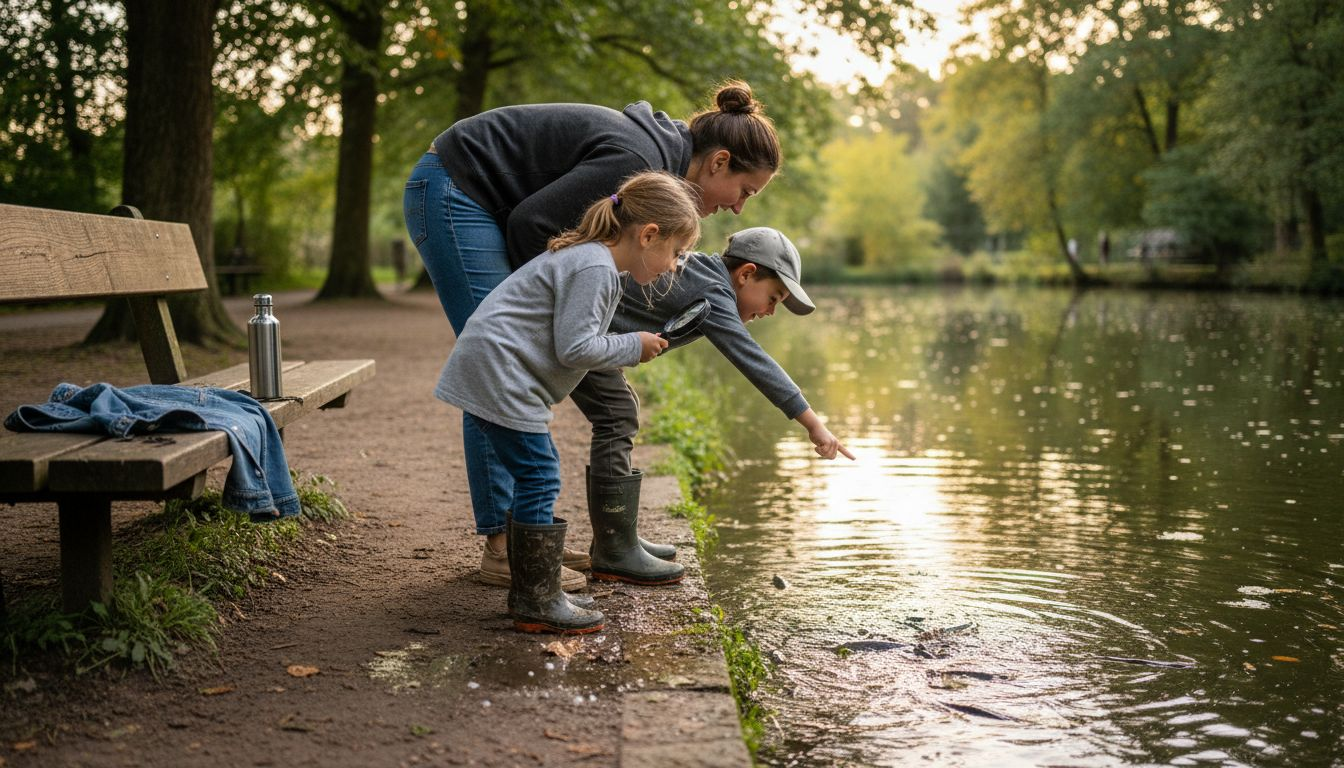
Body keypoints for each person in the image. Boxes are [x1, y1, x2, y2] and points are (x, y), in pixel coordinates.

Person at [404, 81, 782, 589]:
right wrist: (560, 322)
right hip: (457, 189)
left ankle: (536, 537)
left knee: (532, 371)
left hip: (481, 197)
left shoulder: (656, 174)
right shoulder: (635, 159)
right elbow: (530, 226)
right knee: (499, 370)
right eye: (745, 191)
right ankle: (505, 547)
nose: (739, 208)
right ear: (718, 162)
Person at [433, 171, 701, 634]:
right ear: (648, 234)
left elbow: (574, 339)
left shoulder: (593, 262)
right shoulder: (594, 267)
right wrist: (632, 347)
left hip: (495, 370)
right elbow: (575, 348)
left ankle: (531, 583)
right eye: (676, 253)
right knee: (539, 473)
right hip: (500, 374)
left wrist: (627, 341)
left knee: (534, 470)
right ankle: (537, 598)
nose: (674, 266)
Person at [575, 227, 854, 584]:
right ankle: (614, 550)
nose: (771, 311)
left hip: (596, 334)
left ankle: (616, 536)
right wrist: (813, 423)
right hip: (584, 333)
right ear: (747, 274)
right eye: (773, 298)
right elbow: (753, 361)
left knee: (622, 408)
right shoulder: (714, 292)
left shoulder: (706, 276)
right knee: (617, 415)